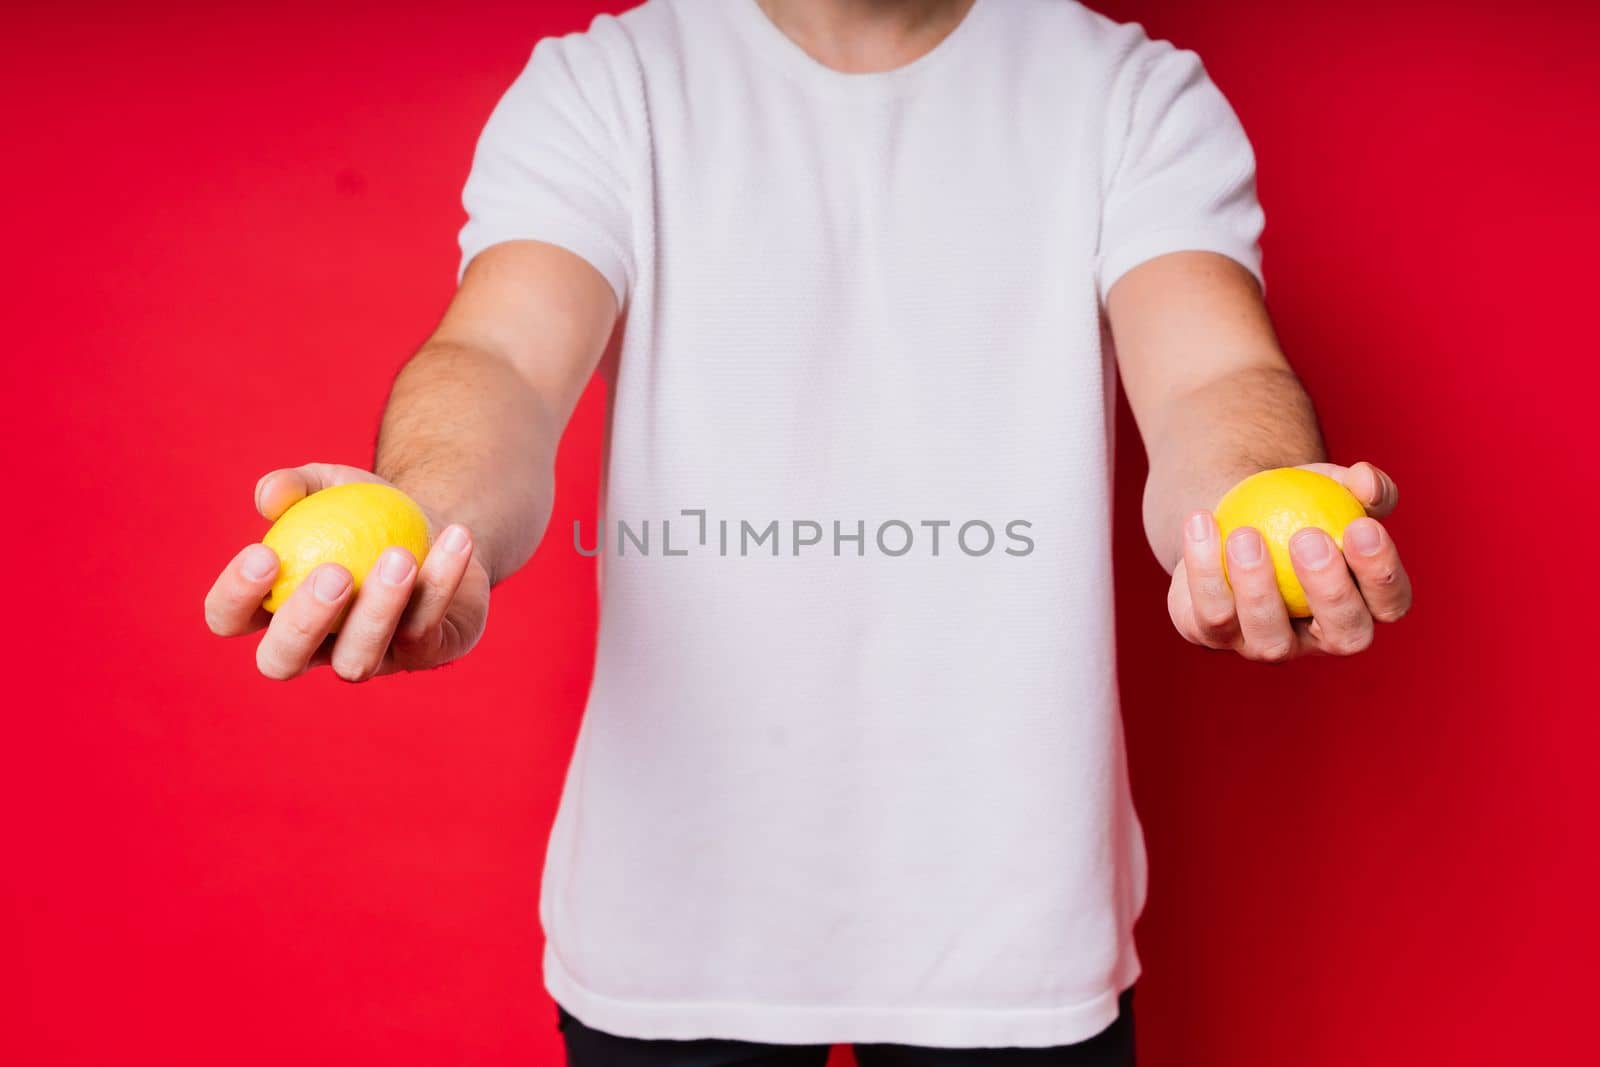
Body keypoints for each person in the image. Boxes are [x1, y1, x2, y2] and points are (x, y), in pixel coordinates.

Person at [203, 0, 1413, 1062]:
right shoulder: (606, 81)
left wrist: (1249, 521)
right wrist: (428, 523)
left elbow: (1208, 378)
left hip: (1012, 917)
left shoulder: (1130, 90)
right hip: (669, 910)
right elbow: (501, 358)